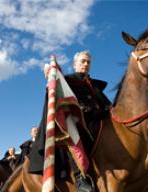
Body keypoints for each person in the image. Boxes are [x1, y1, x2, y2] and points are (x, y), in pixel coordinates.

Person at [29, 51, 111, 192]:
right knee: (72, 136)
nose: (85, 64)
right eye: (82, 61)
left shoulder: (95, 86)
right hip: (76, 122)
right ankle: (81, 178)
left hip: (99, 120)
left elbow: (108, 106)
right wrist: (52, 76)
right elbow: (58, 97)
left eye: (88, 62)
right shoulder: (66, 81)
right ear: (75, 64)